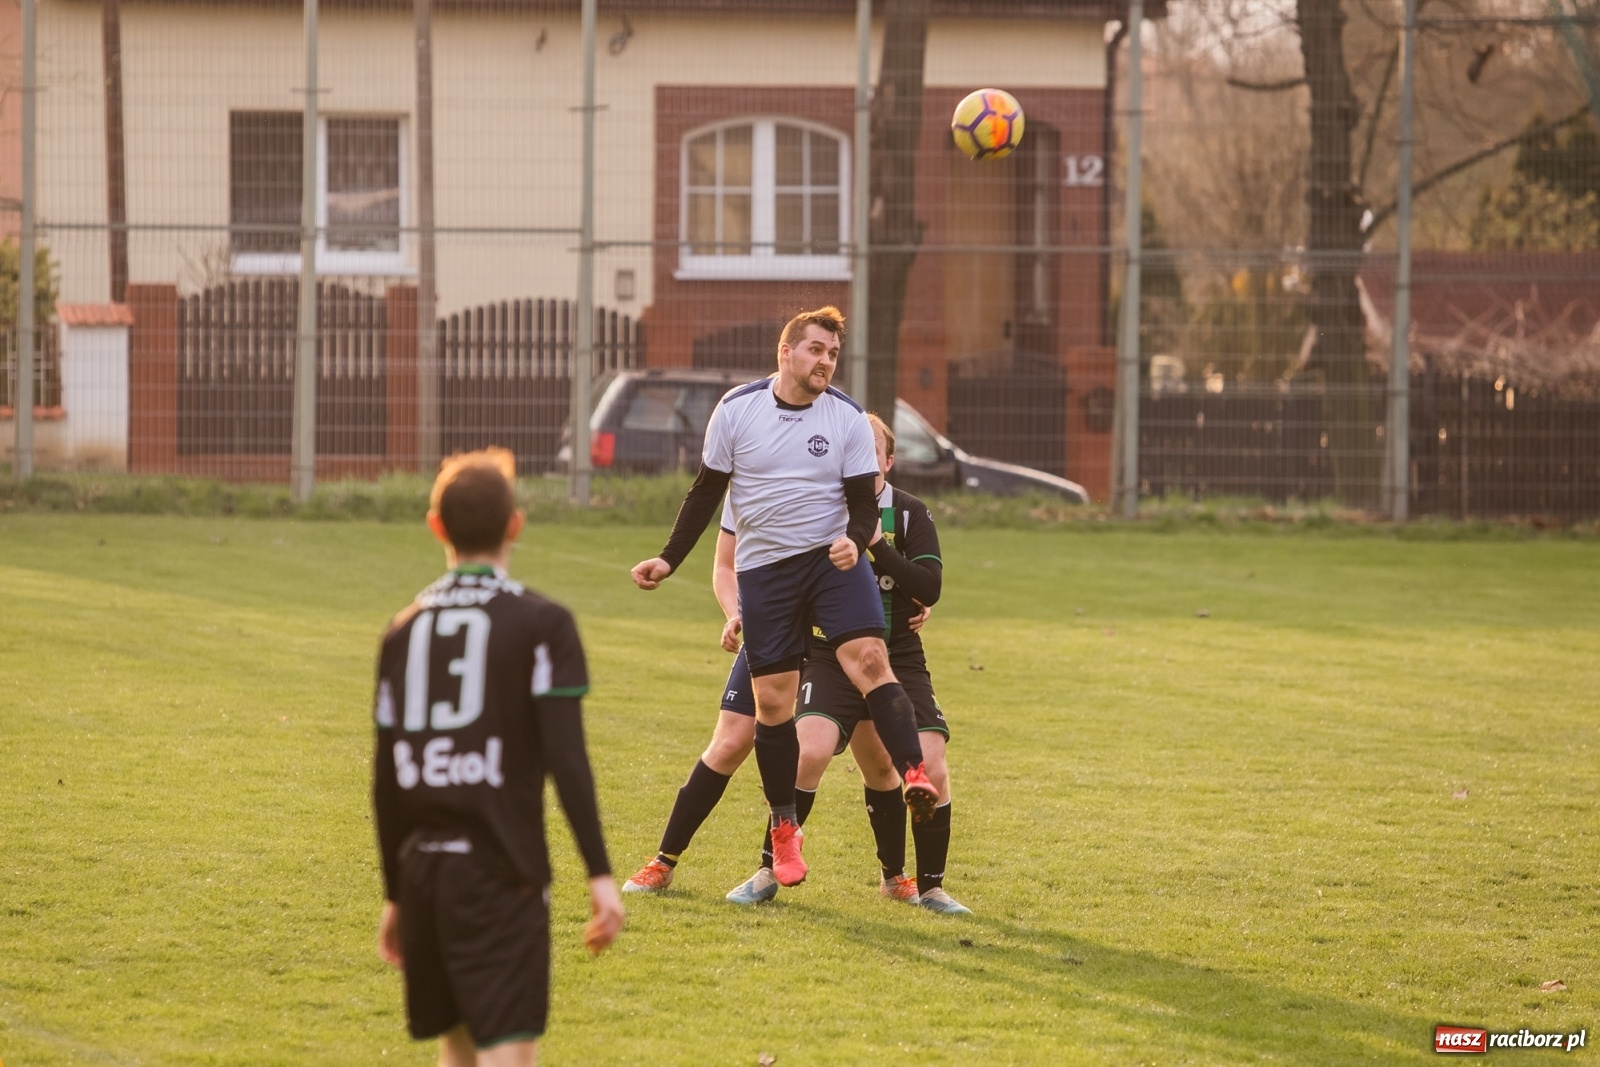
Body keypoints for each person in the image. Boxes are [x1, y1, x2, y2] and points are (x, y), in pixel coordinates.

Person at [630, 307, 936, 889]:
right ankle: (783, 828)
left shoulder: (847, 417)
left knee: (872, 658)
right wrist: (668, 559)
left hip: (830, 563)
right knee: (770, 706)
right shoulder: (737, 409)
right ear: (786, 351)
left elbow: (863, 502)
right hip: (766, 573)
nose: (825, 362)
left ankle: (914, 774)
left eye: (833, 354)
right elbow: (705, 493)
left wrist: (852, 540)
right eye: (816, 349)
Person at [372, 447, 624, 1067]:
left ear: (436, 527)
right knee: (507, 1053)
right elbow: (567, 758)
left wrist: (396, 894)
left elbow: (386, 780)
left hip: (424, 874)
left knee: (457, 1051)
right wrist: (599, 875)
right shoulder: (543, 624)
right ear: (515, 524)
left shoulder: (402, 630)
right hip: (502, 873)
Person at [724, 412, 970, 913]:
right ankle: (768, 868)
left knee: (923, 766)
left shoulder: (908, 513)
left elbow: (929, 588)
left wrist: (876, 545)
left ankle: (928, 888)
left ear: (888, 460)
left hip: (897, 655)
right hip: (829, 653)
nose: (859, 457)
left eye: (870, 450)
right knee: (807, 752)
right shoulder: (822, 508)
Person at [620, 523, 930, 898]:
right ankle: (663, 863)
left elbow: (864, 552)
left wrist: (905, 598)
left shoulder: (837, 491)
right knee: (730, 742)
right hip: (772, 629)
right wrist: (736, 612)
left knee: (877, 759)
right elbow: (725, 565)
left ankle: (893, 878)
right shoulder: (745, 489)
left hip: (833, 642)